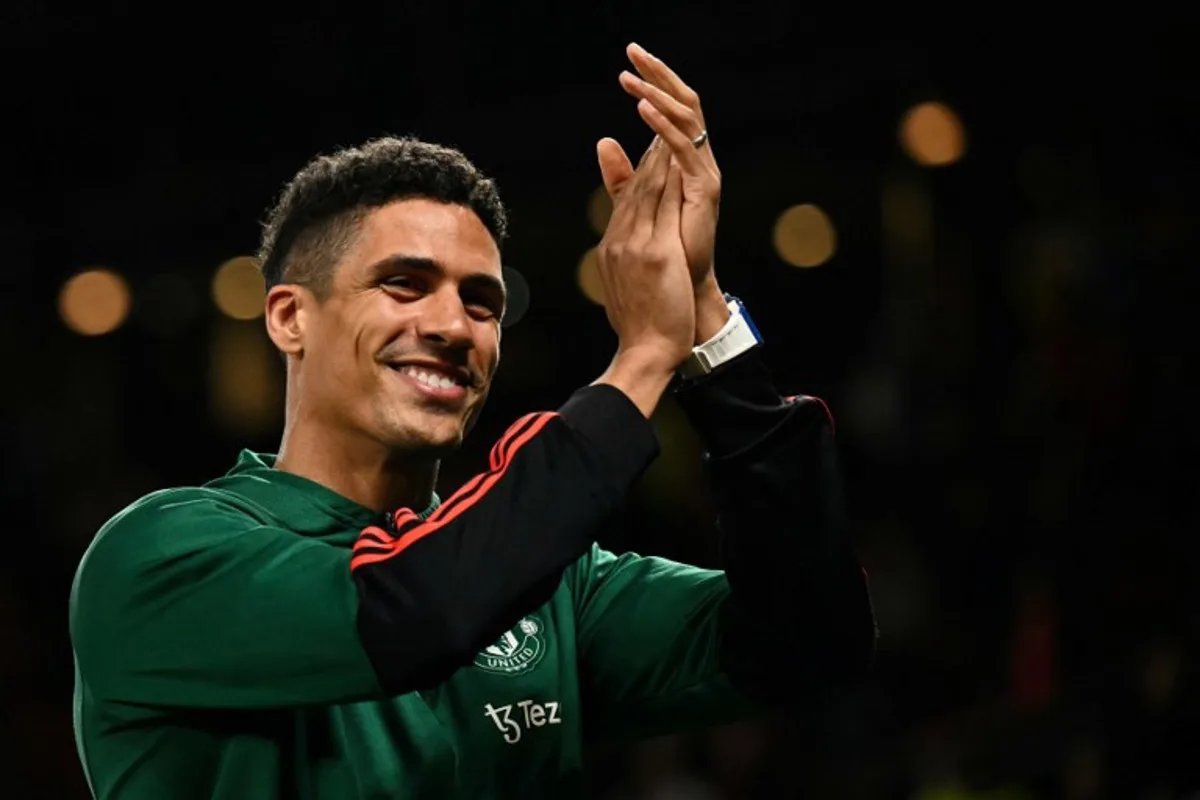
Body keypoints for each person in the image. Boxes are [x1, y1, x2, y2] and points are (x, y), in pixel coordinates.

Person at [69, 43, 876, 798]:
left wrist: (703, 318)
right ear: (289, 318)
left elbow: (811, 640)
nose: (456, 327)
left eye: (481, 301)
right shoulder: (159, 558)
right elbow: (417, 609)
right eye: (405, 284)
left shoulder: (554, 589)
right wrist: (639, 363)